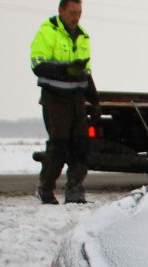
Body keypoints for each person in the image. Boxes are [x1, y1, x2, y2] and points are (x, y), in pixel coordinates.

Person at [30, 0, 101, 204]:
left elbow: (86, 73)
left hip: (77, 100)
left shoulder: (82, 37)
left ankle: (75, 190)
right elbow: (37, 65)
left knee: (81, 146)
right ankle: (45, 188)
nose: (76, 16)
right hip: (55, 99)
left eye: (79, 12)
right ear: (61, 11)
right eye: (72, 12)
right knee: (58, 146)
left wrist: (94, 101)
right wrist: (65, 70)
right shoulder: (47, 32)